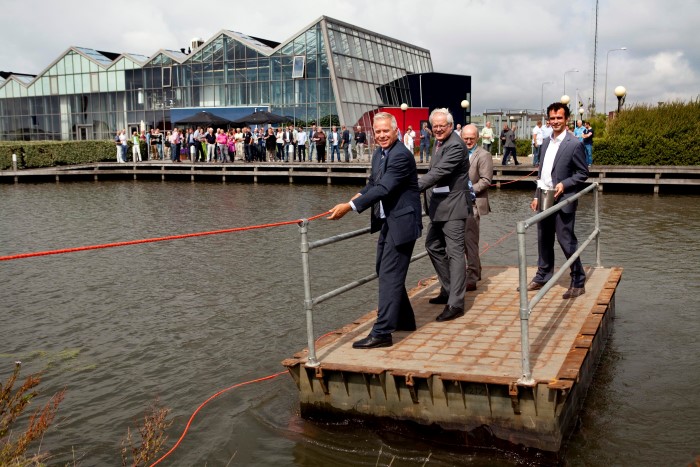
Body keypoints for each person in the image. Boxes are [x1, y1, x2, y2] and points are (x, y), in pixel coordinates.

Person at [326, 112, 422, 349]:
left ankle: (382, 332)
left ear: (395, 131)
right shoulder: (380, 154)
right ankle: (405, 320)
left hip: (402, 223)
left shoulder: (400, 155)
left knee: (389, 274)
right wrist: (351, 199)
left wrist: (349, 208)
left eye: (385, 131)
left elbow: (384, 189)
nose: (381, 135)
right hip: (388, 221)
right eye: (377, 132)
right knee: (384, 269)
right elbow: (372, 183)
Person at [525, 102, 589, 299]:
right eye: (552, 118)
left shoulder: (574, 143)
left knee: (566, 241)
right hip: (544, 197)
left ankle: (578, 280)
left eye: (559, 118)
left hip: (564, 200)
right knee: (543, 239)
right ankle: (543, 274)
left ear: (566, 119)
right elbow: (542, 173)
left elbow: (582, 173)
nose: (555, 122)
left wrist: (565, 184)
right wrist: (536, 195)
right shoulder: (545, 142)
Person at [418, 108, 471, 322]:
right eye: (435, 126)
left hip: (454, 207)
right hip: (439, 207)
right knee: (433, 245)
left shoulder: (456, 145)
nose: (438, 129)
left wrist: (413, 186)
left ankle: (456, 303)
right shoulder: (439, 142)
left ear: (451, 125)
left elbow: (439, 172)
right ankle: (448, 289)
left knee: (456, 253)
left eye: (443, 125)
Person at [461, 124, 493, 291]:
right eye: (465, 138)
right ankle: (477, 270)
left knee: (471, 241)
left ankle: (472, 277)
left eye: (471, 138)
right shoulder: (459, 152)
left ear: (477, 138)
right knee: (464, 242)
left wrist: (468, 190)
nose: (468, 141)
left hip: (474, 203)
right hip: (458, 203)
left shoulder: (484, 155)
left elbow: (486, 180)